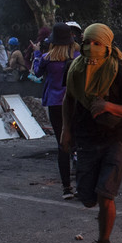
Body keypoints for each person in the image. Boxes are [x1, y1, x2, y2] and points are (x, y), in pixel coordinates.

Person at [60, 23, 122, 243]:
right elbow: (68, 99)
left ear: (107, 47)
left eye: (97, 44)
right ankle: (94, 205)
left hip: (115, 138)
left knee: (106, 194)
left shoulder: (119, 71)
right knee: (87, 198)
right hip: (85, 139)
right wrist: (66, 130)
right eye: (87, 43)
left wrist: (108, 106)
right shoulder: (75, 70)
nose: (91, 48)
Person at [33, 22, 81, 199]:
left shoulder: (47, 58)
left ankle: (66, 188)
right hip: (74, 101)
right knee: (77, 141)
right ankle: (81, 184)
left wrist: (37, 52)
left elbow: (37, 73)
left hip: (54, 103)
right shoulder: (77, 56)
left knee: (62, 145)